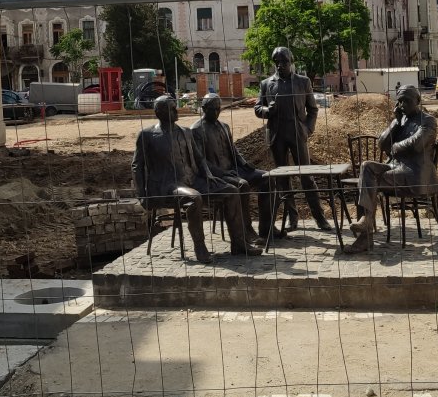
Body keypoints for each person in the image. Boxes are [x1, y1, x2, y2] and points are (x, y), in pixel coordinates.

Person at [345, 84, 438, 253]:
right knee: (367, 168)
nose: (402, 105)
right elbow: (382, 144)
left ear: (418, 100)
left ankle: (365, 235)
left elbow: (417, 144)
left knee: (367, 182)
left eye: (407, 101)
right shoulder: (400, 121)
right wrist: (395, 122)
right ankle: (366, 221)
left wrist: (395, 147)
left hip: (415, 173)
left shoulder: (428, 120)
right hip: (395, 168)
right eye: (400, 101)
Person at [254, 47, 332, 234]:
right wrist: (267, 110)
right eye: (277, 62)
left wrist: (307, 129)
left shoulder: (303, 82)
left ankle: (319, 217)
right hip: (277, 135)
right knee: (283, 179)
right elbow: (257, 108)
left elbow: (313, 109)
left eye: (284, 62)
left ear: (291, 62)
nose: (280, 65)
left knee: (306, 176)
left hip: (297, 133)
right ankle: (292, 216)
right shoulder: (266, 84)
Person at [131, 95, 215, 263]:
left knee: (233, 189)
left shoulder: (186, 132)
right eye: (172, 108)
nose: (177, 111)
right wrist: (141, 195)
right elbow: (137, 166)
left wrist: (208, 173)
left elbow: (199, 158)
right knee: (194, 198)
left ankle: (239, 242)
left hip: (191, 179)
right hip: (167, 186)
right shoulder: (147, 135)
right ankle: (200, 246)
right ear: (159, 113)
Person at [191, 93, 268, 254]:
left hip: (234, 169)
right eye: (213, 109)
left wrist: (245, 164)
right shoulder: (196, 130)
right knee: (242, 185)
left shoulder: (224, 126)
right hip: (217, 175)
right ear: (204, 108)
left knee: (266, 177)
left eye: (218, 109)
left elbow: (233, 149)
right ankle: (246, 230)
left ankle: (267, 228)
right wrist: (222, 173)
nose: (216, 112)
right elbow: (200, 161)